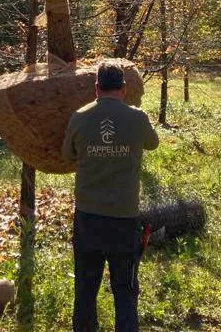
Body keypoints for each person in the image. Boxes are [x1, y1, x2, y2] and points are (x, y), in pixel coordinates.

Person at [61, 60, 160, 332]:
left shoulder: (79, 117)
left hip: (88, 219)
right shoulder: (138, 118)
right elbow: (153, 143)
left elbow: (66, 155)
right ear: (124, 88)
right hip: (124, 220)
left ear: (96, 88)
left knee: (85, 288)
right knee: (125, 290)